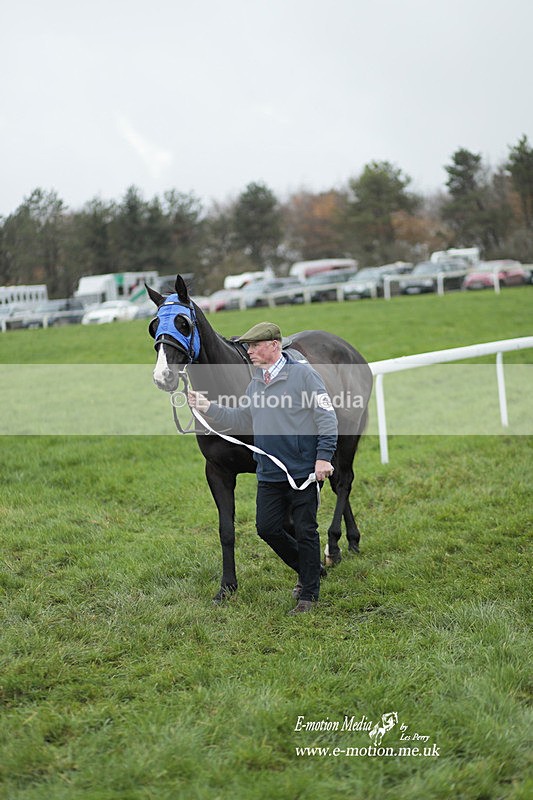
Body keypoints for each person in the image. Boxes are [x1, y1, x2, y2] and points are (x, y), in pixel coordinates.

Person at [187, 321, 337, 614]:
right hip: (268, 471)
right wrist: (207, 407)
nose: (249, 352)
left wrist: (323, 457)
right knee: (267, 528)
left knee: (305, 531)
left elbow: (326, 416)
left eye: (255, 346)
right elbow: (242, 419)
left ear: (274, 346)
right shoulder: (256, 381)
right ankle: (310, 568)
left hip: (301, 471)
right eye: (247, 347)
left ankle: (308, 594)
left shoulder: (304, 375)